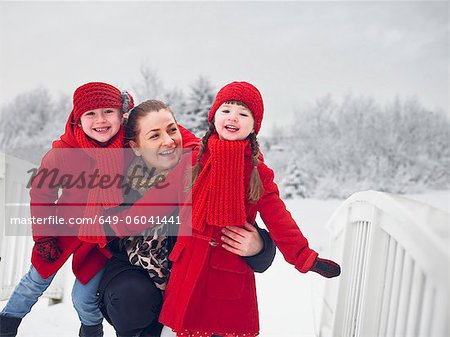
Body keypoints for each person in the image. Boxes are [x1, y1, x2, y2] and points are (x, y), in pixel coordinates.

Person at [158, 82, 341, 337]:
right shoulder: (193, 159)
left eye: (243, 114)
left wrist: (304, 257)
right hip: (188, 270)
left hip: (228, 271)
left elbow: (278, 218)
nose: (233, 117)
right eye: (226, 110)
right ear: (213, 118)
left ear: (254, 126)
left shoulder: (256, 172)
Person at [97, 100, 277, 337]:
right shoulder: (116, 183)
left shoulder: (204, 172)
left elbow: (246, 225)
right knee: (132, 296)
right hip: (138, 285)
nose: (169, 140)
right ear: (136, 147)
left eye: (172, 130)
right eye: (154, 136)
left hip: (196, 288)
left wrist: (259, 247)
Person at [0, 82, 134, 337]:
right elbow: (41, 194)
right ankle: (6, 325)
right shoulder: (62, 153)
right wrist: (44, 238)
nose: (100, 120)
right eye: (90, 114)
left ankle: (91, 330)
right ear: (77, 118)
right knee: (34, 281)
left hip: (101, 241)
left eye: (108, 111)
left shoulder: (130, 148)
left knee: (83, 297)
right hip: (62, 231)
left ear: (121, 114)